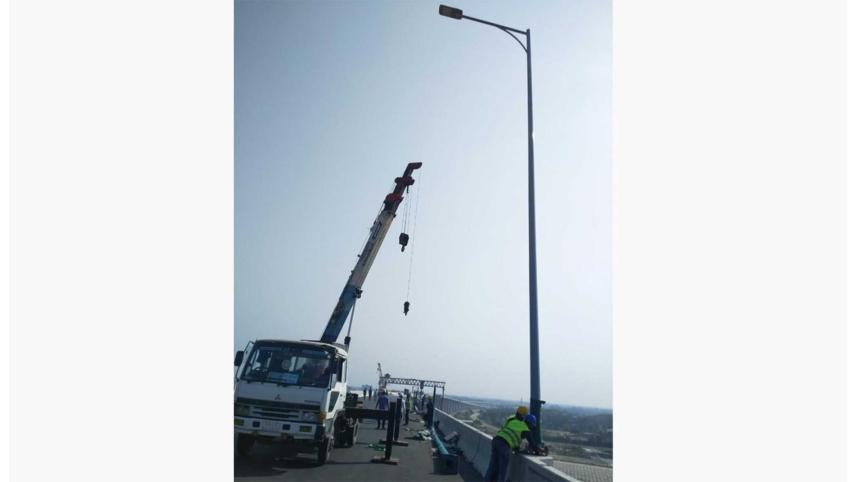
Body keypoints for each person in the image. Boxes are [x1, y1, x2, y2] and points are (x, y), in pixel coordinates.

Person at [484, 407, 537, 482]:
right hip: (504, 445)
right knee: (503, 470)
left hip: (496, 440)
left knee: (492, 466)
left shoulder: (511, 420)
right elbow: (532, 444)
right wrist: (538, 450)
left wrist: (516, 447)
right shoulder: (524, 428)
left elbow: (510, 433)